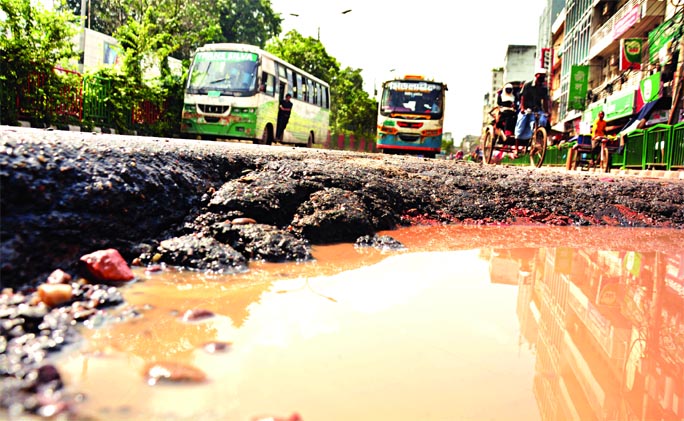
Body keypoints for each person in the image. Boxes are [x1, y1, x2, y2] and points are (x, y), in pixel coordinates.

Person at [514, 68, 550, 141]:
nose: (543, 78)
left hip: (538, 109)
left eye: (544, 76)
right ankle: (517, 138)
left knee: (543, 121)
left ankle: (539, 137)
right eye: (541, 76)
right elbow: (523, 97)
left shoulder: (544, 88)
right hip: (527, 109)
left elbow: (545, 100)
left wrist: (546, 111)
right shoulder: (528, 85)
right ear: (536, 75)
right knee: (521, 122)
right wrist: (522, 108)